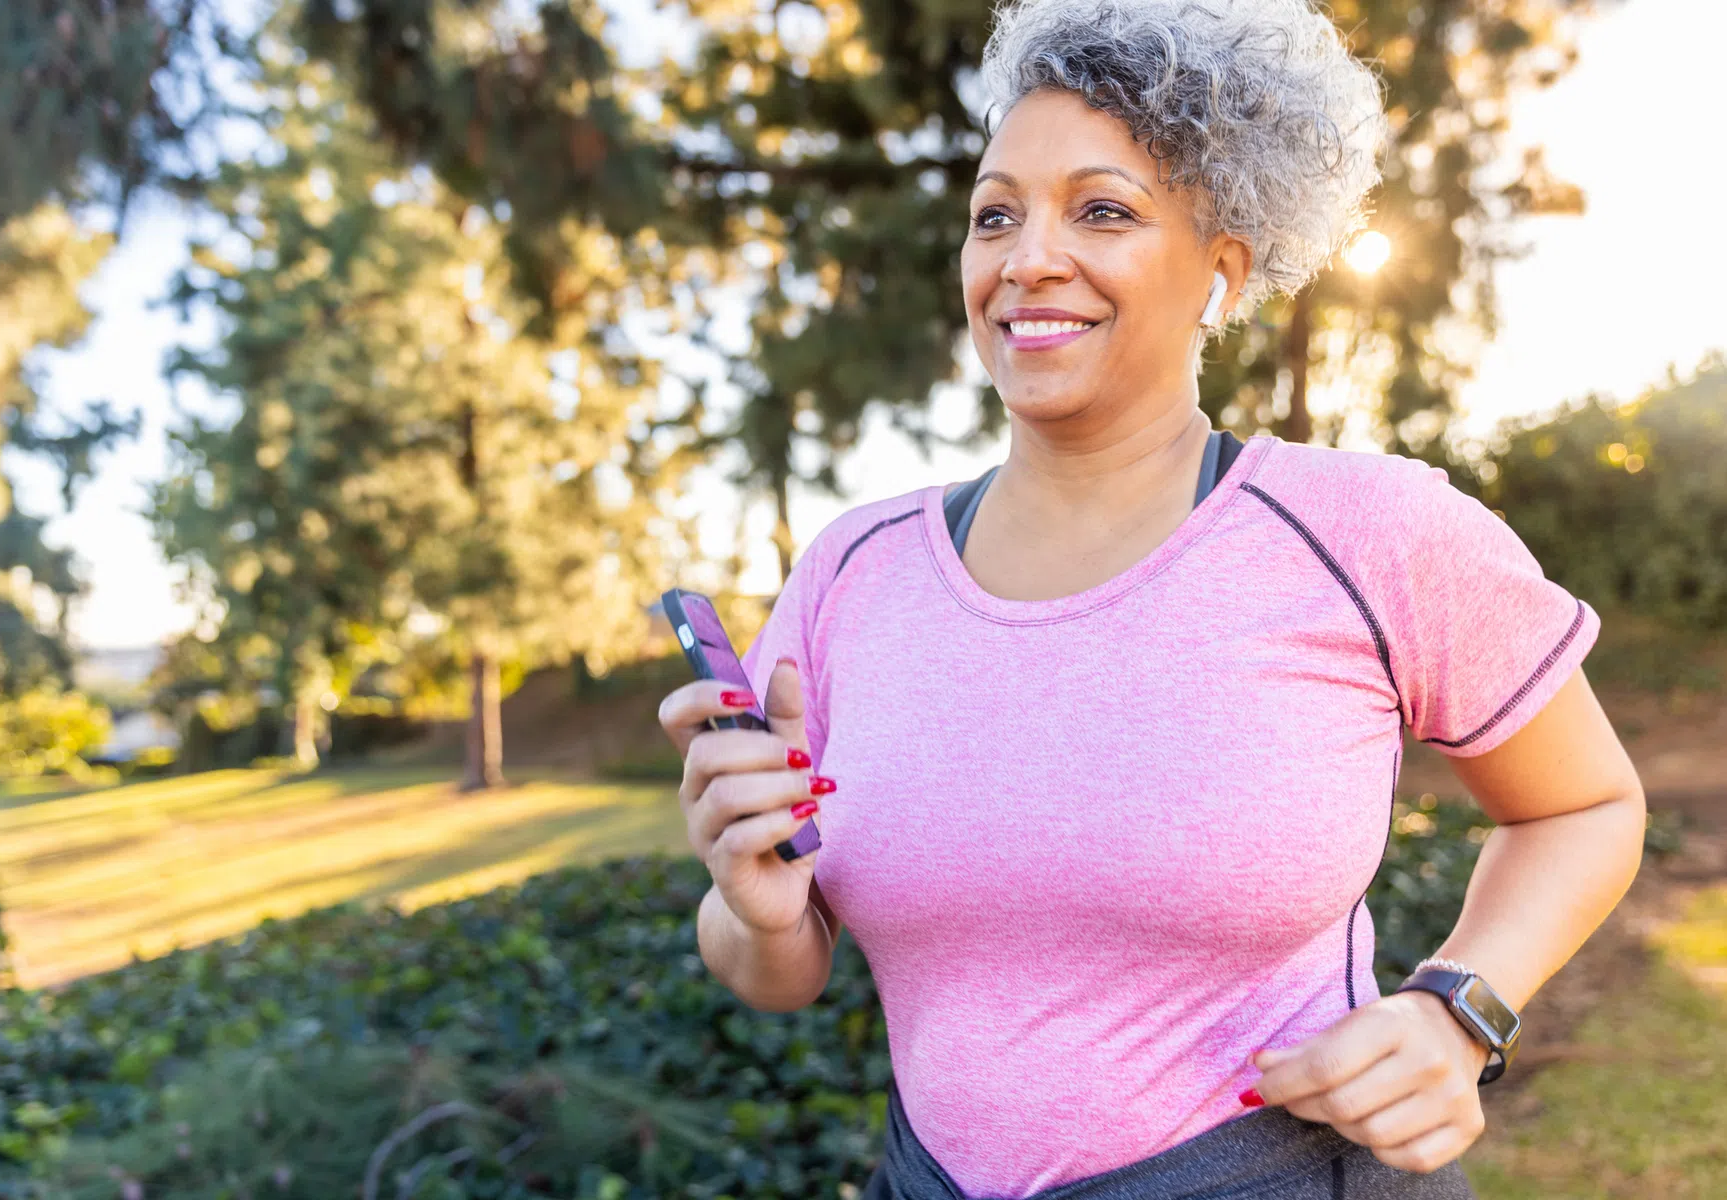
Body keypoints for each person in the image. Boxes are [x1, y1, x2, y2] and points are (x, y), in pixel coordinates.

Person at [656, 0, 1646, 1195]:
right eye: (993, 214)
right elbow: (778, 967)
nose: (1026, 258)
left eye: (1102, 210)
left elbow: (1582, 807)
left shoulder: (1366, 532)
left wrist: (1458, 1009)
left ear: (1220, 271)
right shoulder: (851, 572)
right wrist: (754, 906)